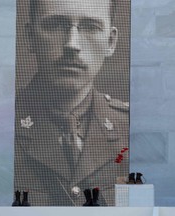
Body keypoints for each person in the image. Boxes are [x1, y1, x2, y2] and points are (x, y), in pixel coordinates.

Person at [14, 0, 129, 206]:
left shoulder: (129, 127)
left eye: (90, 27)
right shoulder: (0, 127)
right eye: (56, 25)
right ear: (31, 36)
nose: (72, 44)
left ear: (110, 42)